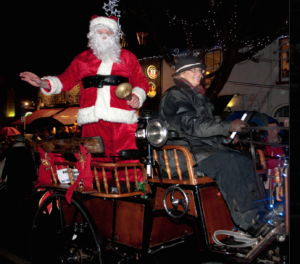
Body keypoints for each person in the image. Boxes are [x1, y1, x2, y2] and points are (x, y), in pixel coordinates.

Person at [158, 56, 283, 237]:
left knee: (246, 160)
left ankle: (262, 214)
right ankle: (248, 221)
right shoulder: (175, 95)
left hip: (203, 151)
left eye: (200, 70)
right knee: (228, 162)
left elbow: (206, 132)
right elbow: (192, 126)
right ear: (180, 74)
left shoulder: (197, 96)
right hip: (184, 156)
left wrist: (226, 139)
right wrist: (226, 127)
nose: (199, 73)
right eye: (194, 70)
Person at [20, 15, 149, 182]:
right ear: (92, 35)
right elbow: (65, 80)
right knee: (94, 161)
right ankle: (95, 200)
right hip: (92, 120)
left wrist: (137, 96)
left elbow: (141, 82)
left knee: (127, 162)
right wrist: (42, 82)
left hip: (122, 120)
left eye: (108, 32)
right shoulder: (82, 59)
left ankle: (133, 200)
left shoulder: (127, 57)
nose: (104, 35)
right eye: (99, 31)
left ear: (115, 36)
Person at [263, 121, 285, 196]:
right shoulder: (261, 145)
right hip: (267, 182)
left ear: (278, 130)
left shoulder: (285, 145)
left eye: (274, 128)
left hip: (283, 180)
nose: (271, 130)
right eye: (269, 128)